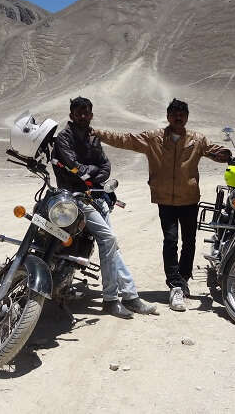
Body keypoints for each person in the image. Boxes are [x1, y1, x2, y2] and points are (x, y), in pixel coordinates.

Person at [92, 99, 231, 312]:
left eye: (182, 113)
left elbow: (214, 151)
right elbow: (124, 139)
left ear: (186, 116)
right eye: (174, 113)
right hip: (165, 199)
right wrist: (96, 133)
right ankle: (175, 285)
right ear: (168, 116)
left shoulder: (197, 140)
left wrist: (225, 155)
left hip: (189, 198)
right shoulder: (153, 138)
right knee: (170, 240)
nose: (178, 117)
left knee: (190, 241)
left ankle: (183, 279)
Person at [52, 96, 158, 319]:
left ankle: (129, 296)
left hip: (93, 196)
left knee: (111, 244)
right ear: (71, 114)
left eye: (87, 112)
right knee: (108, 239)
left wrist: (89, 174)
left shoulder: (93, 138)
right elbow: (75, 167)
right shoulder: (64, 138)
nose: (83, 116)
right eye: (79, 112)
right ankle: (111, 299)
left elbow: (105, 167)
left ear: (91, 114)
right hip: (73, 199)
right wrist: (88, 173)